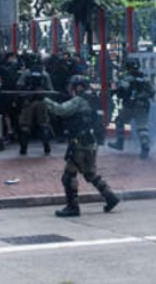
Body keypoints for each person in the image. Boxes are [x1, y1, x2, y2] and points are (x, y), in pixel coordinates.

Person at [45, 75, 120, 217]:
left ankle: (72, 207)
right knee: (90, 173)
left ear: (78, 87)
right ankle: (110, 197)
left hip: (79, 143)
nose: (71, 88)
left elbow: (61, 110)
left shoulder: (79, 101)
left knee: (69, 175)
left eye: (73, 86)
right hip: (92, 142)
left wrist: (46, 101)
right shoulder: (94, 99)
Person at [108, 57, 155, 159]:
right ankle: (145, 146)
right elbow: (152, 91)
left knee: (119, 121)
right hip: (143, 105)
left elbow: (121, 91)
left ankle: (120, 143)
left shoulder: (127, 78)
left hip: (130, 105)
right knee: (142, 127)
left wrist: (114, 91)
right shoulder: (145, 77)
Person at [16, 54, 54, 156]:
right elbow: (50, 90)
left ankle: (23, 149)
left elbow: (19, 87)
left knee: (25, 126)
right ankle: (47, 147)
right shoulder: (45, 74)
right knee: (44, 125)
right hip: (41, 101)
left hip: (28, 102)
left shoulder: (26, 73)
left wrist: (25, 95)